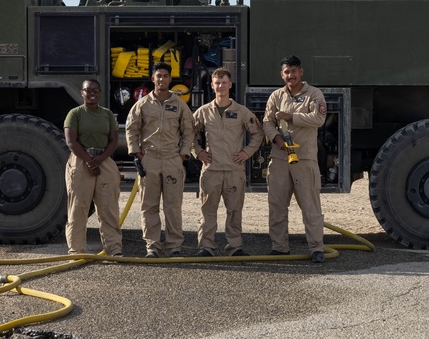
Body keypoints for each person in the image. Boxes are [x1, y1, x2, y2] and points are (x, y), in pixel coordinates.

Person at [262, 55, 327, 262]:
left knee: (310, 205)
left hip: (305, 158)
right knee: (277, 205)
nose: (291, 75)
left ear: (301, 72)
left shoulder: (314, 94)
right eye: (286, 72)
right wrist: (277, 139)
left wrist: (291, 117)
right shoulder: (276, 96)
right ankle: (279, 247)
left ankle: (316, 248)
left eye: (294, 71)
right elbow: (267, 122)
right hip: (280, 158)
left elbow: (319, 118)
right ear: (282, 75)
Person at [192, 68, 264, 257]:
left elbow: (258, 133)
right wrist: (197, 152)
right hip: (211, 170)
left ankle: (234, 247)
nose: (221, 86)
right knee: (208, 211)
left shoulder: (241, 111)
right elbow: (188, 133)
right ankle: (206, 247)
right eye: (217, 82)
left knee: (234, 211)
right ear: (212, 85)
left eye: (224, 82)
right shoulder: (204, 112)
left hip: (234, 170)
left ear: (230, 85)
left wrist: (246, 152)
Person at [125, 62, 194, 257]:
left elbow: (188, 131)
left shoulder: (179, 105)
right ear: (153, 79)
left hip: (172, 160)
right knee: (149, 206)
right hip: (150, 160)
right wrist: (138, 155)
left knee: (173, 206)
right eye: (158, 76)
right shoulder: (142, 104)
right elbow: (131, 130)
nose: (162, 79)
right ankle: (152, 247)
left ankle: (174, 247)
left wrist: (182, 156)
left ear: (170, 79)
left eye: (165, 76)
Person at [63, 79, 123, 257]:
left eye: (95, 90)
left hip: (103, 160)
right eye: (88, 91)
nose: (92, 94)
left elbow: (114, 140)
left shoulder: (107, 114)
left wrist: (100, 159)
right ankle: (76, 250)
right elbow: (71, 142)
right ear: (82, 93)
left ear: (100, 93)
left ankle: (114, 250)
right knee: (78, 208)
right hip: (81, 161)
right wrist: (89, 161)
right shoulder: (75, 114)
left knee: (108, 208)